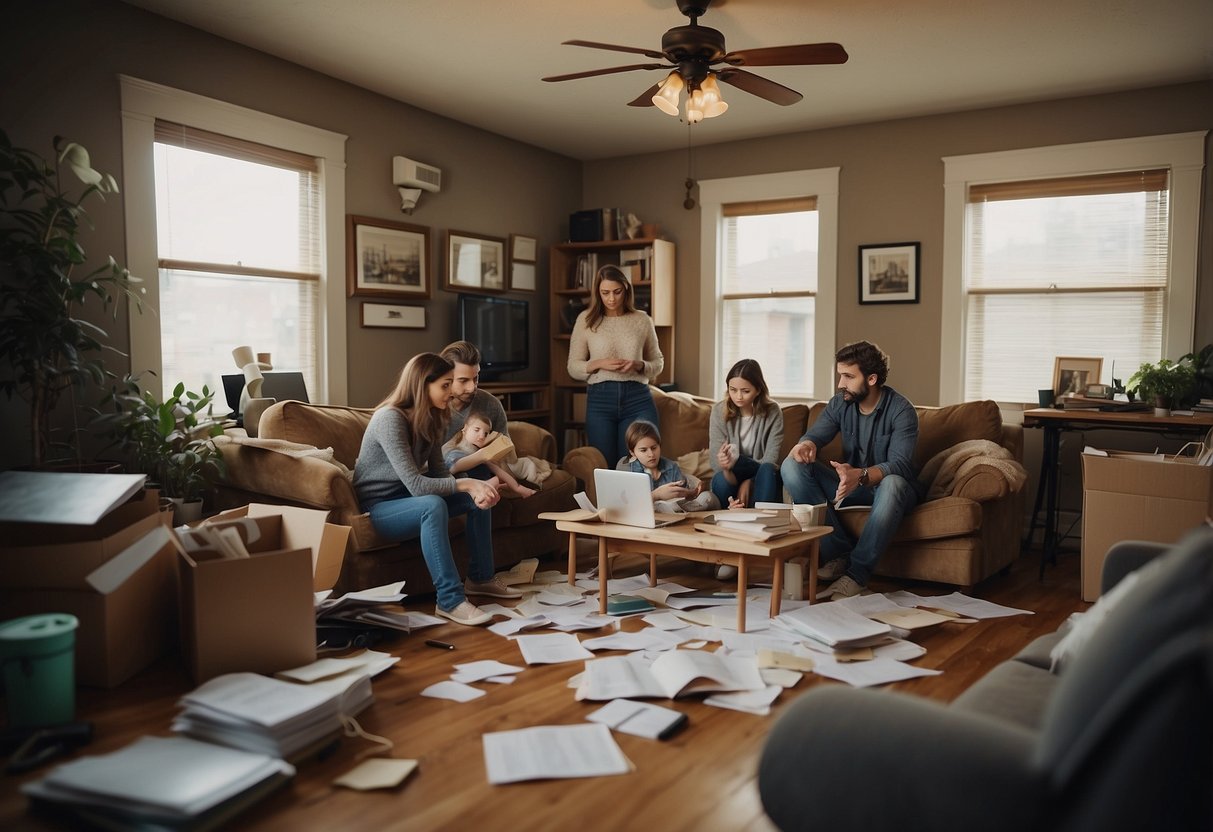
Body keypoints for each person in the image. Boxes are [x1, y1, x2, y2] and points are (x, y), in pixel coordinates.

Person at [352, 352, 522, 626]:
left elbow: (441, 473)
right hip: (379, 508)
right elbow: (418, 485)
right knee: (433, 505)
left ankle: (480, 578)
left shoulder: (431, 418)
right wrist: (467, 482)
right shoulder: (389, 419)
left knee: (473, 496)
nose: (451, 392)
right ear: (423, 385)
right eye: (445, 385)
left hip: (409, 498)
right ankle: (450, 600)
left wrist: (475, 490)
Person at [780, 340, 922, 601]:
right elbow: (814, 436)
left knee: (893, 483)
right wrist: (806, 445)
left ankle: (856, 576)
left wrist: (863, 475)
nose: (840, 384)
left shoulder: (902, 411)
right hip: (850, 484)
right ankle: (839, 556)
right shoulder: (840, 403)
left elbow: (901, 465)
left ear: (871, 378)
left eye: (848, 376)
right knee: (791, 466)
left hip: (889, 490)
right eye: (839, 375)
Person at [568, 264, 664, 466]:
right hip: (600, 399)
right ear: (597, 293)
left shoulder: (642, 319)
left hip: (637, 398)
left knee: (638, 464)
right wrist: (599, 363)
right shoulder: (585, 320)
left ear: (626, 289)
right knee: (605, 465)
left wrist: (639, 365)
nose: (611, 298)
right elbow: (573, 367)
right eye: (605, 293)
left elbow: (658, 362)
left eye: (617, 292)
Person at [709, 358, 785, 509]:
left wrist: (750, 481)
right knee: (720, 480)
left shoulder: (773, 412)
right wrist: (726, 467)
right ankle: (730, 512)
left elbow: (771, 459)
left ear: (758, 389)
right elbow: (715, 461)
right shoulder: (718, 411)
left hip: (762, 473)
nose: (738, 396)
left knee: (768, 470)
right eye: (733, 389)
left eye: (745, 391)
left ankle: (760, 520)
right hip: (731, 474)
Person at [442, 408, 553, 497]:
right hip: (461, 480)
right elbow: (453, 468)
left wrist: (518, 488)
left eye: (486, 433)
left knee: (498, 472)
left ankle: (500, 485)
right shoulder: (457, 449)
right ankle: (491, 484)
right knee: (489, 467)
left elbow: (498, 470)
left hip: (481, 477)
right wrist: (482, 456)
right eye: (477, 430)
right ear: (465, 429)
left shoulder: (480, 450)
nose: (482, 436)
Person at [623, 420, 718, 512]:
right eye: (643, 450)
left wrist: (692, 493)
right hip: (644, 508)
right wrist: (656, 495)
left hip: (674, 506)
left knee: (709, 498)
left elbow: (683, 494)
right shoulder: (627, 469)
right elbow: (627, 502)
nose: (651, 454)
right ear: (633, 453)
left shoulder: (671, 467)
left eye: (654, 448)